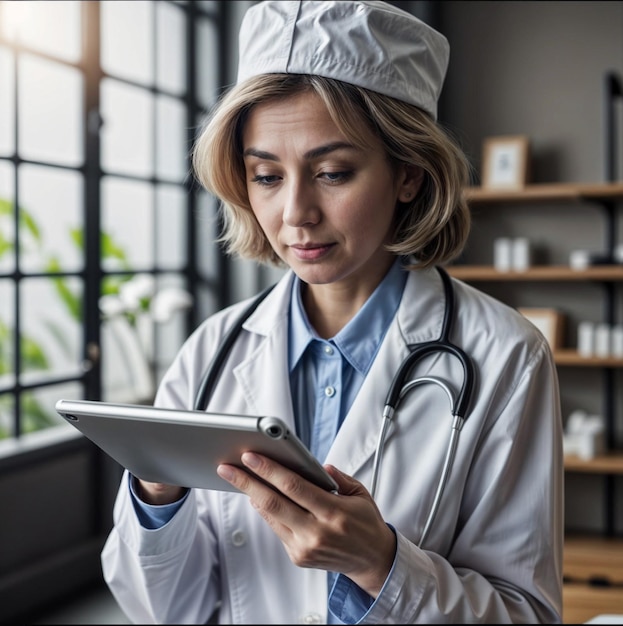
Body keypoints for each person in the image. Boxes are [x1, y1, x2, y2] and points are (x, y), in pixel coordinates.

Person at [101, 1, 564, 623]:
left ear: (409, 173)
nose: (296, 213)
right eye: (266, 175)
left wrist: (381, 564)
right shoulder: (214, 351)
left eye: (333, 172)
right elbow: (162, 608)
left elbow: (528, 614)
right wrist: (158, 498)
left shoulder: (505, 355)